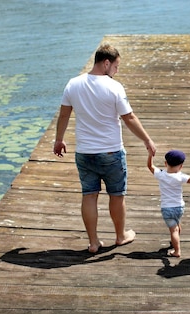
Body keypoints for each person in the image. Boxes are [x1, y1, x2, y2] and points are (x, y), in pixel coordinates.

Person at [53, 44, 156, 253]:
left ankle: (93, 242)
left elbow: (64, 114)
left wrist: (59, 140)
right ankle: (120, 236)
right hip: (111, 152)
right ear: (106, 63)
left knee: (89, 195)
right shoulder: (114, 87)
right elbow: (129, 117)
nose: (116, 71)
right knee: (117, 195)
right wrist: (147, 140)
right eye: (116, 66)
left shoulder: (73, 84)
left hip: (84, 152)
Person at [148, 150, 190, 257]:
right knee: (177, 224)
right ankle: (176, 240)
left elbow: (150, 165)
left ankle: (177, 251)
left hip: (167, 209)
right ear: (181, 166)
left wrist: (150, 155)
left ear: (165, 164)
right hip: (179, 207)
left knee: (173, 230)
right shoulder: (180, 177)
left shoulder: (161, 174)